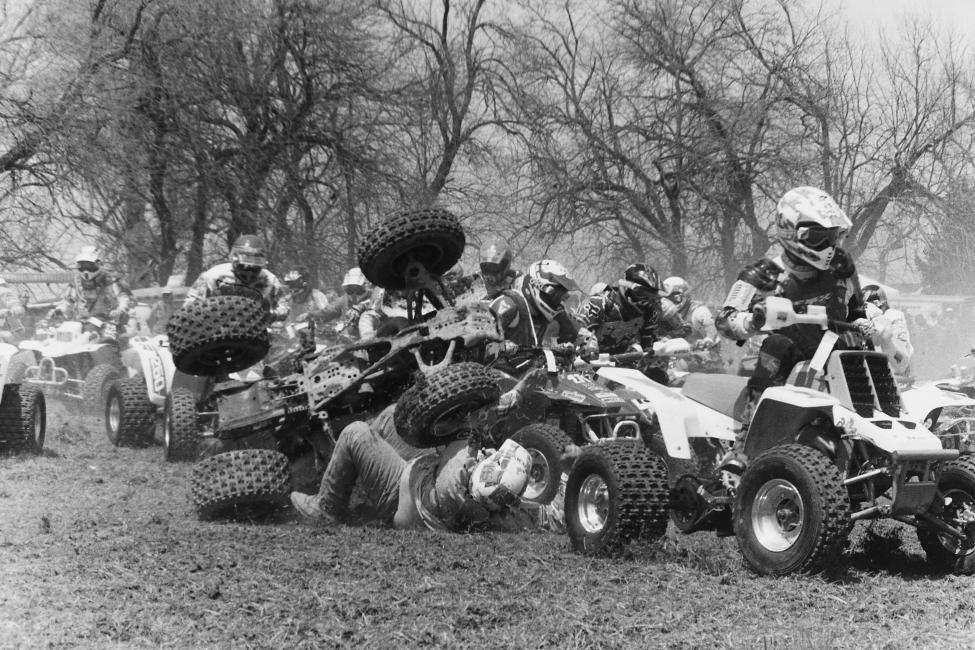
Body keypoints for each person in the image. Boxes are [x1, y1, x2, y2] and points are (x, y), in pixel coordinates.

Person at [716, 186, 867, 467]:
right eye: (818, 237)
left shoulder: (841, 265)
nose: (828, 247)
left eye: (832, 237)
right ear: (791, 232)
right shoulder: (762, 274)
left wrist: (870, 319)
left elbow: (857, 307)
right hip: (790, 358)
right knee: (777, 346)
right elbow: (724, 319)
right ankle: (743, 451)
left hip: (836, 352)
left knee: (860, 344)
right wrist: (752, 320)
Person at [289, 412, 538, 532]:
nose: (488, 453)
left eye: (490, 458)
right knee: (391, 417)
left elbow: (464, 432)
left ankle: (326, 509)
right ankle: (349, 468)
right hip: (421, 484)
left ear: (478, 472)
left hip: (398, 494)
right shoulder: (507, 515)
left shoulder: (452, 482)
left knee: (356, 432)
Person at [185, 234, 291, 322]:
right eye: (244, 265)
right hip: (213, 328)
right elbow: (190, 305)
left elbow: (284, 306)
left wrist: (271, 315)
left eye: (255, 267)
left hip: (256, 331)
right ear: (234, 260)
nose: (249, 272)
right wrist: (205, 314)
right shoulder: (213, 276)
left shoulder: (271, 281)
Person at [489, 259, 592, 350]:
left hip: (534, 371)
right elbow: (479, 347)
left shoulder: (555, 314)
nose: (559, 302)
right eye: (556, 296)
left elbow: (578, 333)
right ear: (539, 288)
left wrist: (588, 341)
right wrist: (503, 347)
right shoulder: (507, 305)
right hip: (494, 370)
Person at [574, 263, 664, 355]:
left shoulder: (649, 312)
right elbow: (576, 329)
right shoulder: (598, 303)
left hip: (622, 365)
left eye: (651, 295)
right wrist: (587, 344)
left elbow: (649, 344)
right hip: (587, 363)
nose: (647, 300)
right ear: (627, 288)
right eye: (643, 293)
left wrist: (659, 348)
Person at [52, 246, 133, 325]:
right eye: (82, 266)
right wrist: (60, 310)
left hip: (109, 323)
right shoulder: (76, 282)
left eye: (90, 266)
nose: (86, 271)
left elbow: (123, 298)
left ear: (99, 264)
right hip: (81, 323)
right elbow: (68, 301)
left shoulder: (111, 280)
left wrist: (120, 311)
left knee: (107, 337)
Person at [661, 276, 724, 373]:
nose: (669, 302)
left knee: (679, 367)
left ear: (682, 296)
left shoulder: (698, 311)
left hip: (706, 355)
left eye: (672, 298)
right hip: (677, 355)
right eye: (666, 298)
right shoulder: (666, 314)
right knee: (666, 369)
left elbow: (710, 326)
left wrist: (708, 339)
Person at [861, 284, 914, 386]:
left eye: (866, 305)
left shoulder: (892, 316)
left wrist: (877, 319)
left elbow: (901, 361)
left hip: (896, 381)